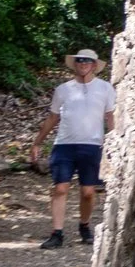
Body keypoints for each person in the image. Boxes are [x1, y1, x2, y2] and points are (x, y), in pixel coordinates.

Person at [33, 48, 118, 250]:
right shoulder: (63, 89)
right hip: (64, 145)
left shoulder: (105, 88)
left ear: (94, 65)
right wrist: (37, 142)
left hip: (92, 145)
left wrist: (114, 142)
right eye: (79, 61)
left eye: (87, 61)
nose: (83, 64)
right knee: (60, 188)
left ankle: (84, 225)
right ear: (75, 64)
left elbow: (110, 117)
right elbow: (53, 117)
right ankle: (57, 233)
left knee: (88, 192)